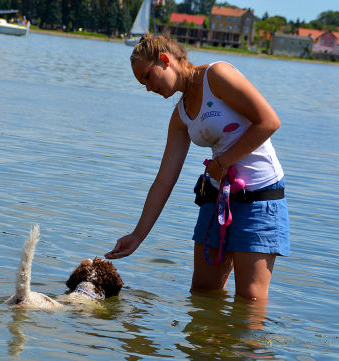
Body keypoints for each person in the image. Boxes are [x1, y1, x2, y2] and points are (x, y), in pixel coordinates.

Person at [105, 34, 290, 301]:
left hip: (258, 197)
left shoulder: (217, 75)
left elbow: (269, 121)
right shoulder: (180, 116)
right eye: (141, 83)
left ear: (165, 61)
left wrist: (223, 162)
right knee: (203, 294)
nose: (147, 87)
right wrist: (138, 235)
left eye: (147, 77)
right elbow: (164, 180)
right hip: (217, 199)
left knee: (249, 301)